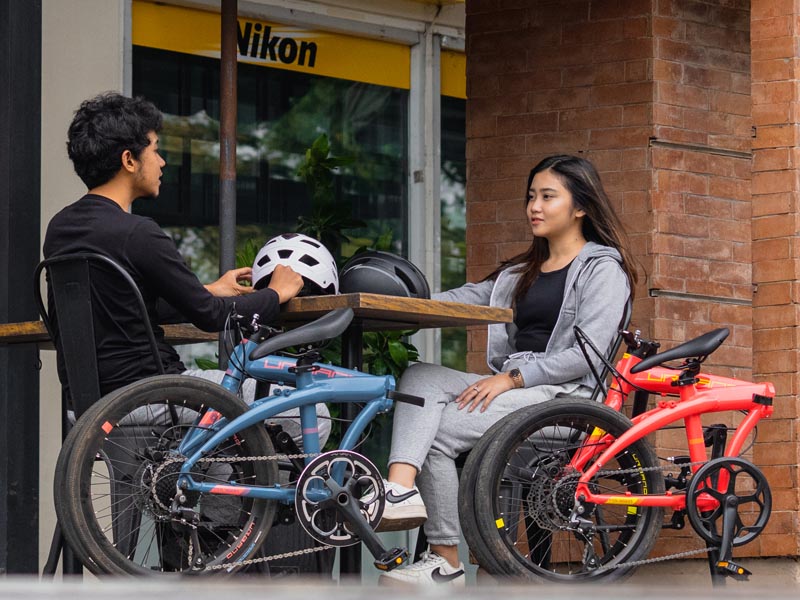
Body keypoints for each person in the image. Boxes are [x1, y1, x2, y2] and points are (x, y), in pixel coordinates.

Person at [377, 155, 637, 585]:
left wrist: (511, 379)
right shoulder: (521, 271)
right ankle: (400, 491)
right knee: (420, 377)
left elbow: (587, 355)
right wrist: (398, 299)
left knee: (440, 430)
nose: (534, 206)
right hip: (516, 392)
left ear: (580, 207)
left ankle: (445, 561)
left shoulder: (603, 269)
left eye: (548, 196)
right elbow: (465, 298)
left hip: (566, 399)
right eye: (531, 196)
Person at [43, 91, 330, 444]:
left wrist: (206, 289)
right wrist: (276, 293)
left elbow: (120, 304)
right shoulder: (138, 233)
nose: (162, 162)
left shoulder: (60, 228)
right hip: (158, 396)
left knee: (213, 449)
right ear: (129, 160)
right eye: (155, 149)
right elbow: (211, 317)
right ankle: (248, 501)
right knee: (310, 408)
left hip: (88, 404)